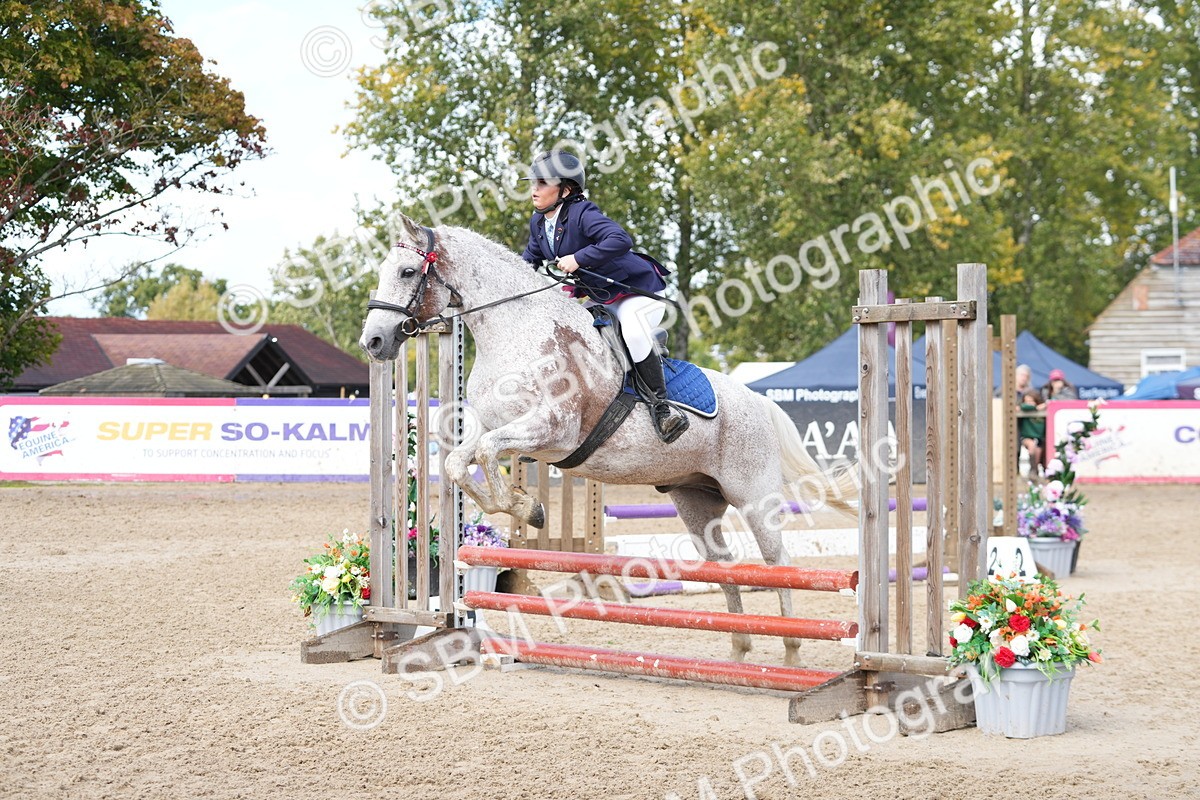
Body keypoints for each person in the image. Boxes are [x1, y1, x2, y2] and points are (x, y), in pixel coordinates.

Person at [519, 150, 689, 443]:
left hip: (638, 291)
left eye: (542, 183)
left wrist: (579, 258)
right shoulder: (539, 223)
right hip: (601, 297)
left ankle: (663, 409)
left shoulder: (584, 214)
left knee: (633, 333)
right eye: (534, 182)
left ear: (566, 189)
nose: (534, 190)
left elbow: (621, 240)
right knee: (567, 339)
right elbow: (526, 263)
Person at [1018, 389, 1046, 476]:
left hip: (1040, 438)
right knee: (1031, 445)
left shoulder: (1043, 411)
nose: (1028, 403)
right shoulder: (1024, 409)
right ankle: (1033, 470)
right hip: (1026, 437)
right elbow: (1020, 407)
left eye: (1031, 401)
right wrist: (1035, 407)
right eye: (1027, 401)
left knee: (1038, 450)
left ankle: (1035, 469)